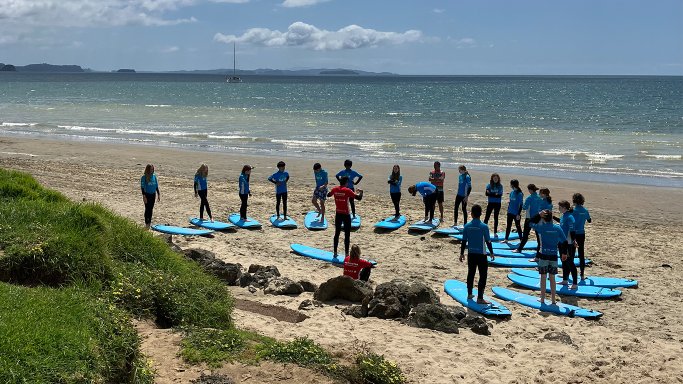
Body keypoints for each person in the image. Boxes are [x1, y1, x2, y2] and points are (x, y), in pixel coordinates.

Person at [459, 204, 496, 304]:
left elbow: (463, 241)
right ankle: (480, 298)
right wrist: (491, 252)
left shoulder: (467, 226)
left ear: (471, 214)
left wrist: (462, 253)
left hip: (471, 254)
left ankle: (470, 294)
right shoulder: (484, 226)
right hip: (481, 255)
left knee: (471, 273)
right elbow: (488, 241)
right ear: (481, 214)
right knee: (482, 275)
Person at [532, 210, 569, 305]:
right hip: (554, 256)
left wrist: (538, 215)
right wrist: (564, 253)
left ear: (543, 218)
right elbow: (564, 241)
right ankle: (553, 300)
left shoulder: (542, 227)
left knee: (543, 278)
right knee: (552, 278)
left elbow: (529, 223)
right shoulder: (557, 228)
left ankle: (542, 299)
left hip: (544, 255)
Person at [327, 176, 363, 257]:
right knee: (347, 235)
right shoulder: (347, 190)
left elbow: (328, 195)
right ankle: (346, 254)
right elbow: (359, 198)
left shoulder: (335, 189)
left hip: (338, 214)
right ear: (346, 182)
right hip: (346, 215)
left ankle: (335, 253)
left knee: (337, 233)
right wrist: (361, 192)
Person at [513, 184, 542, 252]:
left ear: (530, 190)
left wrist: (522, 205)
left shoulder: (529, 198)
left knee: (525, 234)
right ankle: (539, 250)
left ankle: (519, 249)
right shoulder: (539, 197)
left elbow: (524, 207)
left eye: (528, 190)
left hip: (529, 218)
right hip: (538, 217)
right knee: (538, 235)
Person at [557, 200, 578, 290]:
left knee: (570, 263)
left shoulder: (570, 217)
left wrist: (574, 240)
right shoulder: (563, 216)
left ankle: (575, 283)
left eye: (560, 207)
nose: (559, 208)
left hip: (568, 243)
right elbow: (562, 225)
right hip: (561, 242)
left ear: (565, 208)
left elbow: (572, 231)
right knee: (563, 261)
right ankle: (565, 279)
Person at [571, 193, 592, 280]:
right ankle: (582, 274)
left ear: (574, 200)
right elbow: (589, 220)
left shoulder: (573, 210)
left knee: (571, 254)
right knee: (581, 254)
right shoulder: (585, 210)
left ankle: (569, 273)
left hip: (573, 234)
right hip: (582, 234)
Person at [140, 164, 160, 229]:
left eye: (153, 169)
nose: (152, 170)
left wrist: (158, 194)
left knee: (151, 209)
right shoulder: (144, 177)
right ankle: (147, 223)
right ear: (148, 169)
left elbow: (156, 186)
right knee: (147, 209)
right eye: (151, 169)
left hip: (153, 195)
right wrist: (144, 196)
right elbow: (142, 187)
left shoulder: (154, 176)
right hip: (147, 195)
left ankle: (149, 223)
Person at [484, 173, 504, 238]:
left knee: (496, 217)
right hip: (490, 203)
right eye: (494, 178)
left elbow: (499, 195)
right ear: (492, 179)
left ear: (498, 179)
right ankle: (483, 230)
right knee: (487, 216)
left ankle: (495, 232)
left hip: (497, 203)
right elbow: (486, 194)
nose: (495, 179)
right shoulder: (489, 185)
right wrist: (495, 194)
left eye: (496, 178)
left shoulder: (500, 186)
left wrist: (491, 194)